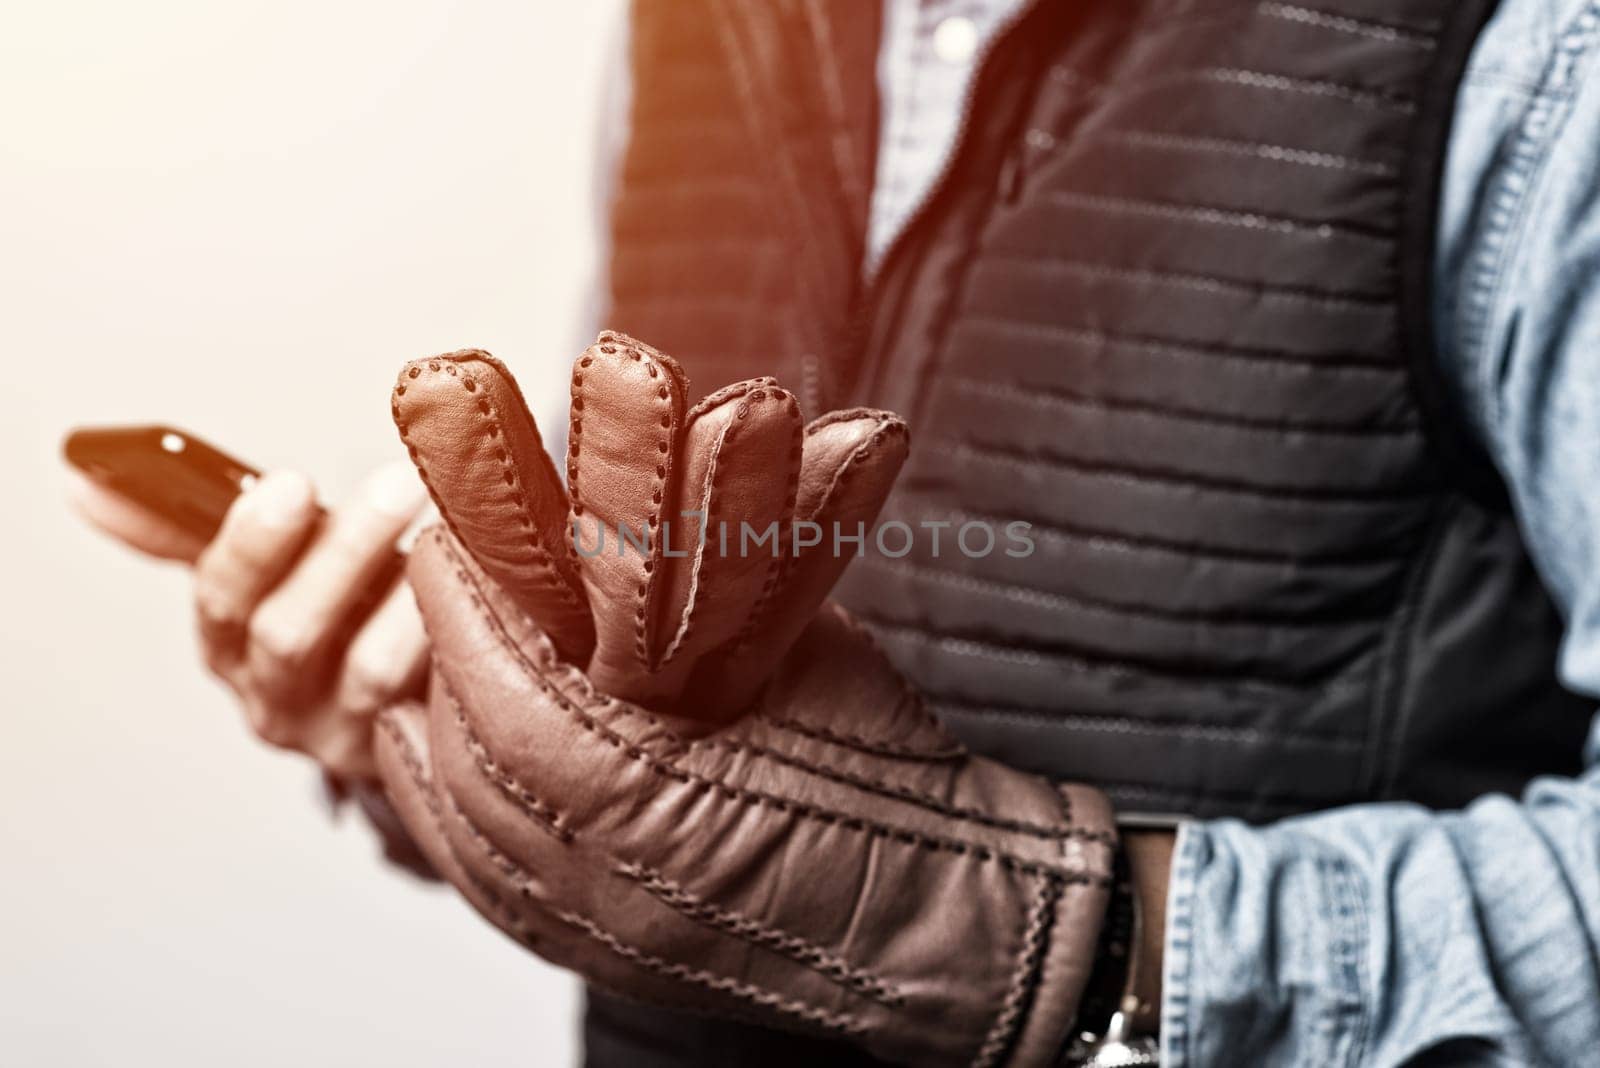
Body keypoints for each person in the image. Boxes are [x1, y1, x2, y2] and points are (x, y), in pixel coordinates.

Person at [70, 0, 1600, 1064]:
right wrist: (442, 730)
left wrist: (1056, 947)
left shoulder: (1540, 55)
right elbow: (687, 762)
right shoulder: (694, 25)